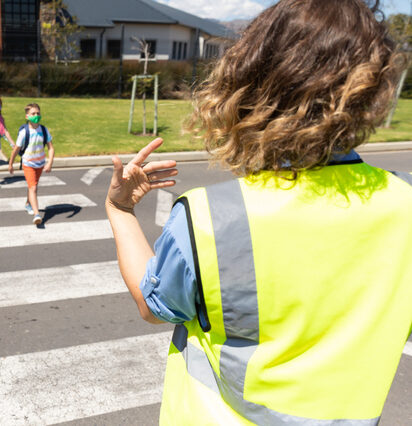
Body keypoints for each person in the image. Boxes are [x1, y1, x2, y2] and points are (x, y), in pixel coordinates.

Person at [105, 0, 412, 424]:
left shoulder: (210, 217)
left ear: (251, 82)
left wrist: (121, 210)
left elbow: (153, 305)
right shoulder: (405, 202)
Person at [8, 103, 55, 225]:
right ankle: (37, 214)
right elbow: (17, 149)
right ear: (27, 116)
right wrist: (10, 163)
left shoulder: (44, 130)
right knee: (33, 187)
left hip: (40, 163)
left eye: (38, 113)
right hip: (28, 164)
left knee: (32, 186)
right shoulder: (24, 132)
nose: (36, 115)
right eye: (33, 114)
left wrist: (49, 162)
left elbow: (51, 148)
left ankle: (28, 203)